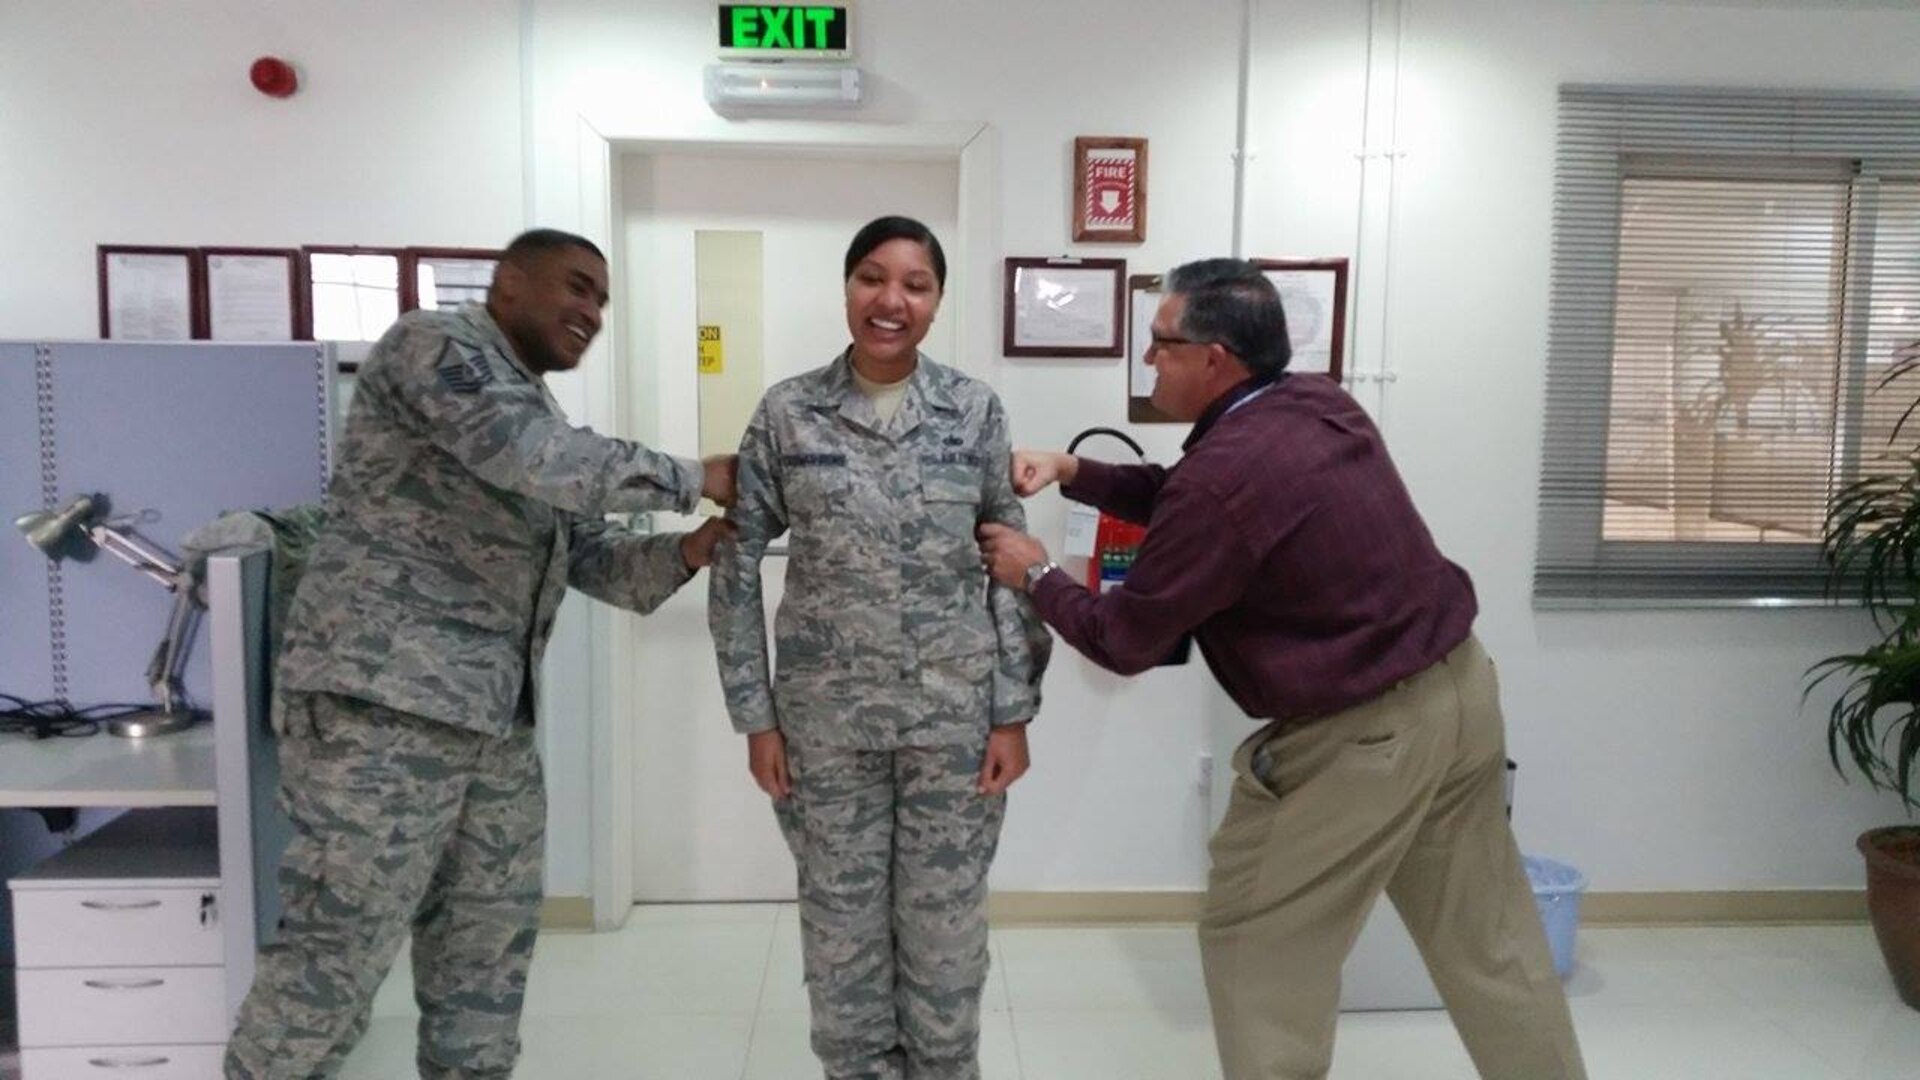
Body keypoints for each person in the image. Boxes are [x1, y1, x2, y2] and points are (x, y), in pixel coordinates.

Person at [978, 258, 1588, 1080]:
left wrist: (1037, 574)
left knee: (1256, 944)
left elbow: (1124, 639)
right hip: (1460, 694)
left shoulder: (1225, 479)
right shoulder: (1315, 403)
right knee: (1492, 943)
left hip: (1364, 740)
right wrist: (1078, 471)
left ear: (1216, 359)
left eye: (1160, 344)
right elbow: (1196, 495)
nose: (1149, 360)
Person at [224, 228, 738, 1080]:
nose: (590, 313)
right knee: (334, 959)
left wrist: (694, 549)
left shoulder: (537, 409)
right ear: (508, 283)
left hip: (492, 727)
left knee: (484, 966)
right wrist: (699, 476)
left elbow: (595, 559)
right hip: (383, 715)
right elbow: (530, 459)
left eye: (602, 301)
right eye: (576, 288)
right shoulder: (436, 349)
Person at [708, 215, 1050, 1080]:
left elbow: (1006, 565)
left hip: (953, 729)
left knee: (944, 949)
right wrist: (757, 716)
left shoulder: (973, 411)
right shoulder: (789, 412)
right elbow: (735, 561)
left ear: (936, 301)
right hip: (826, 734)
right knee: (841, 948)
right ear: (848, 288)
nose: (890, 300)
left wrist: (1012, 714)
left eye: (915, 284)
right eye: (872, 277)